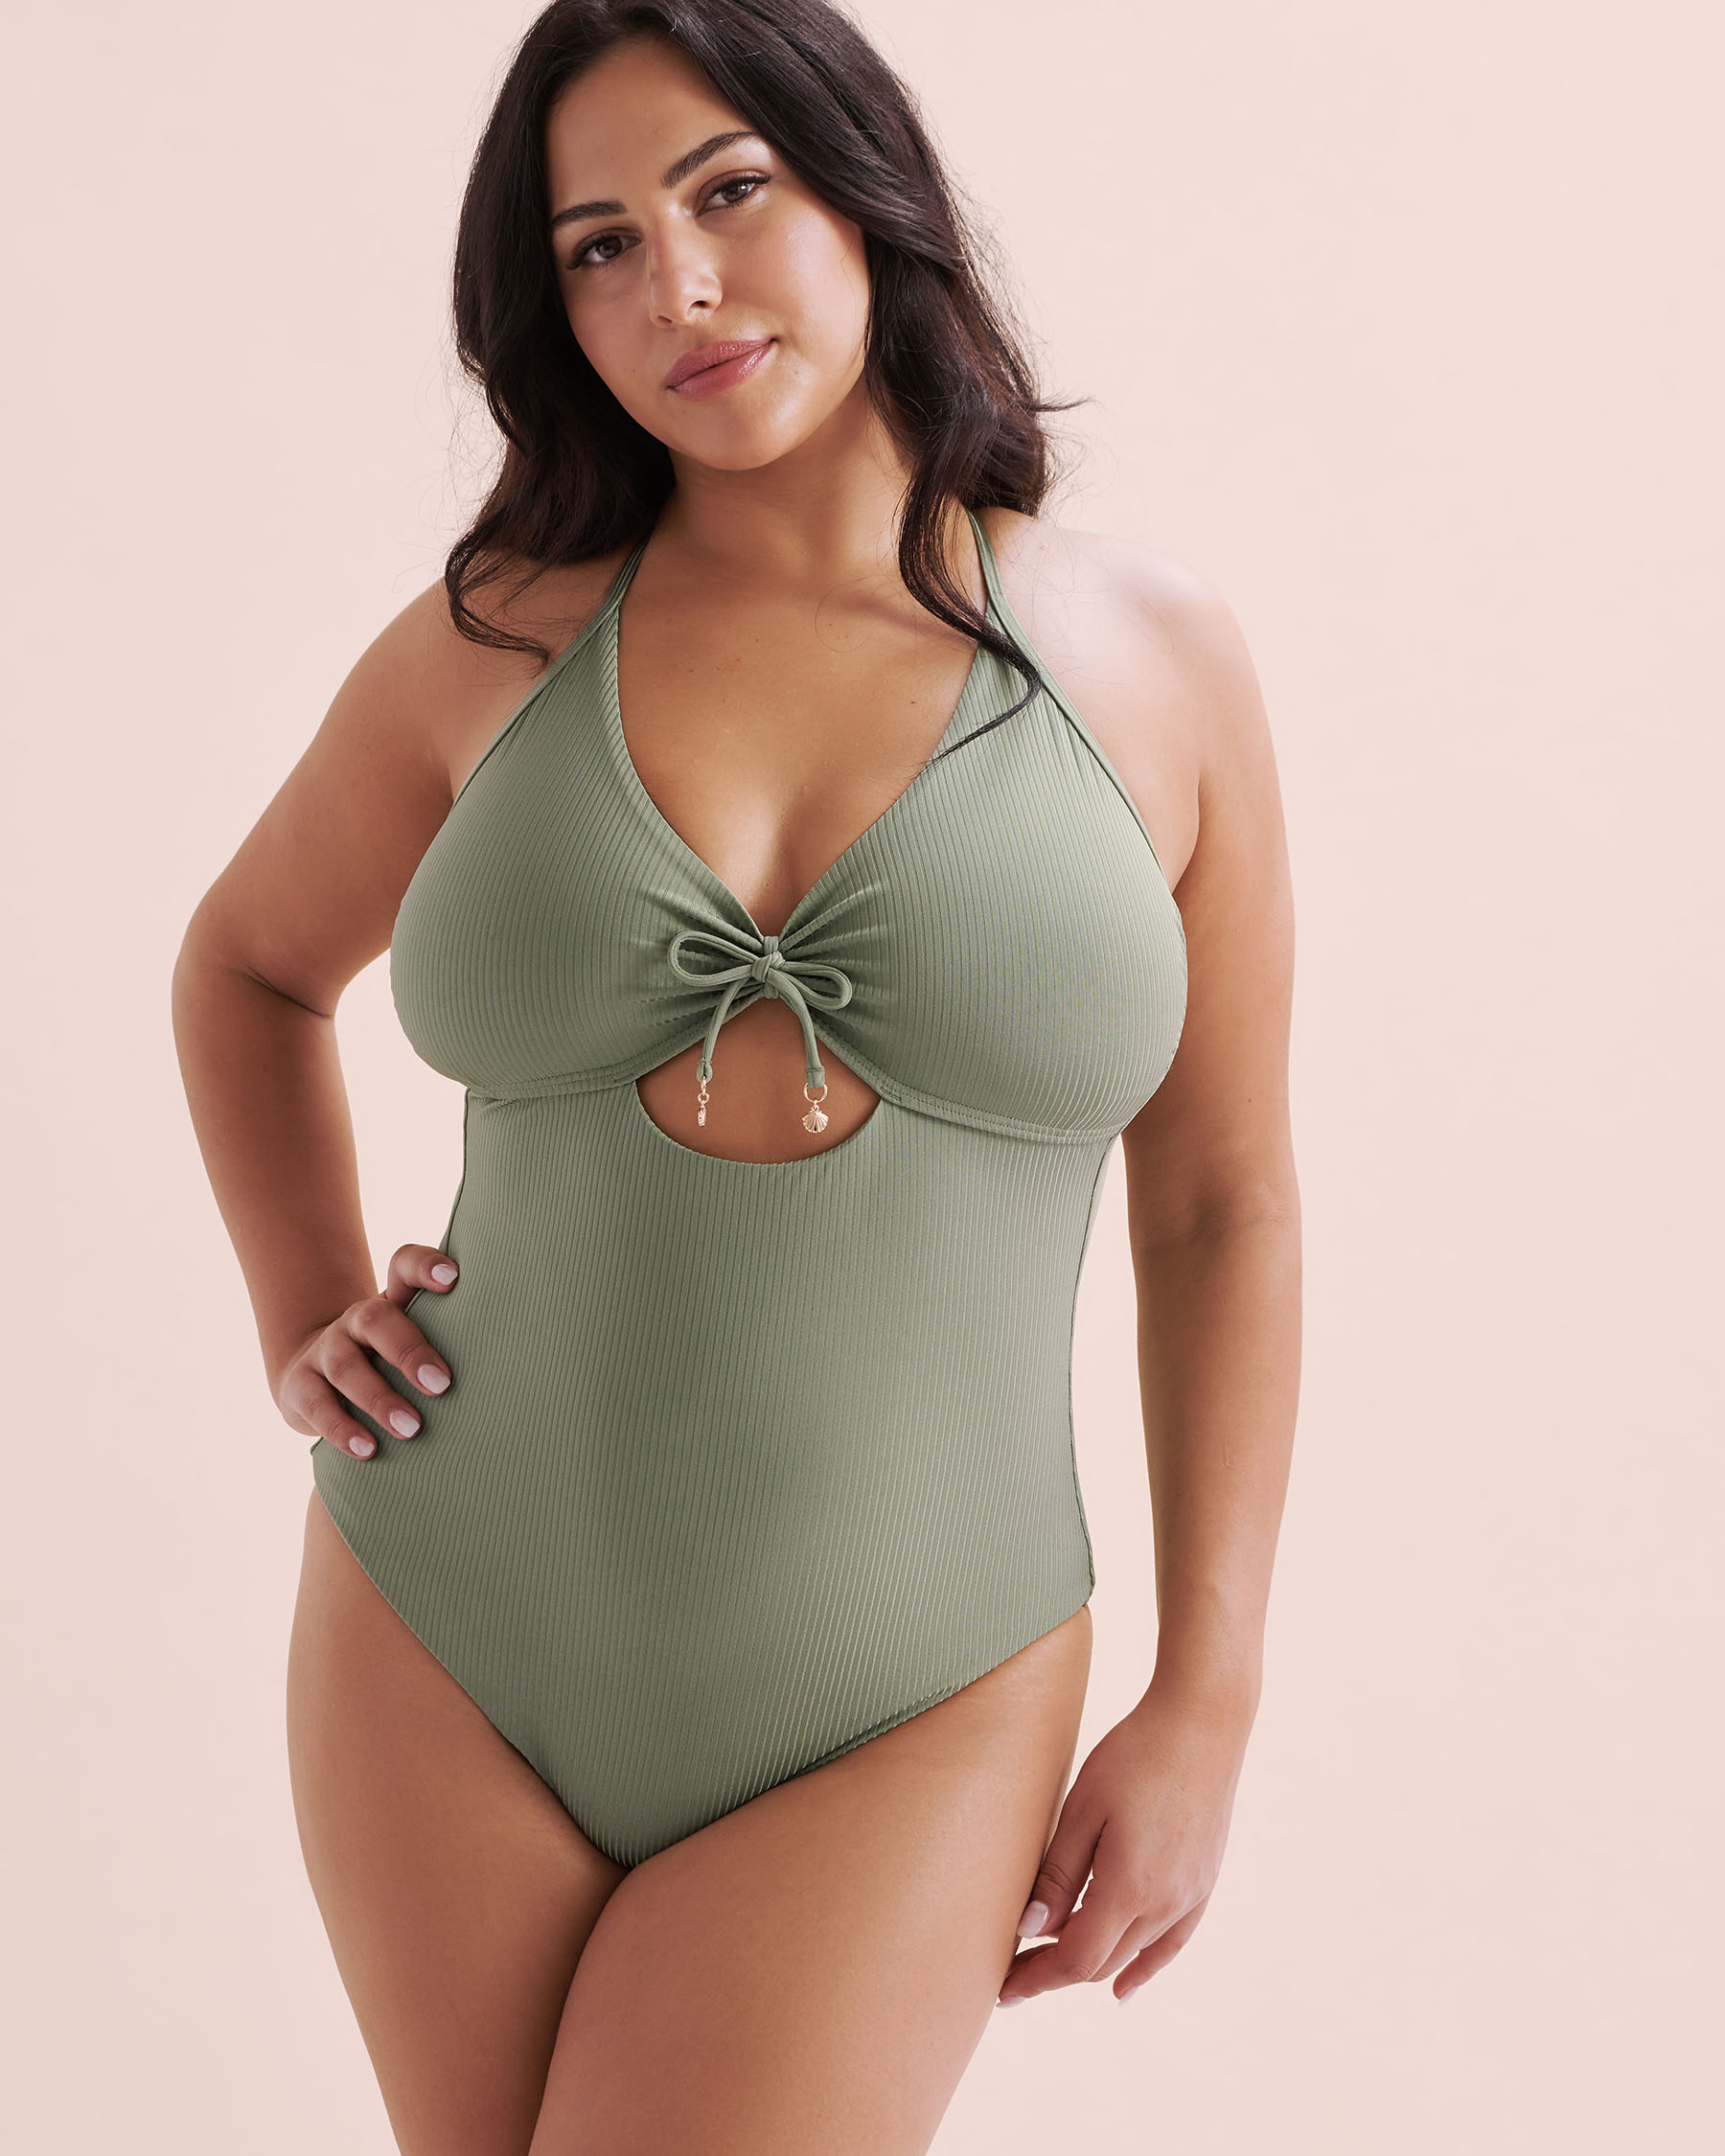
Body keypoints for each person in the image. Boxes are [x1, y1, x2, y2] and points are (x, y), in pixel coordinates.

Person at [172, 2, 1300, 2147]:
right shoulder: (494, 637)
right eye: (597, 245)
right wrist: (301, 1293)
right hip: (447, 1623)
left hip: (915, 1680)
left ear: (867, 193)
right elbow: (243, 966)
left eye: (729, 194)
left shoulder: (1150, 657)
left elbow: (1223, 1198)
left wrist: (1209, 1695)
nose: (676, 285)